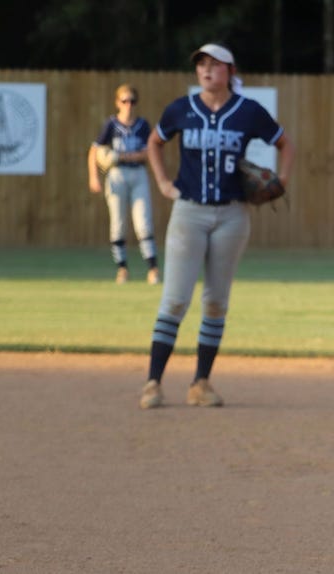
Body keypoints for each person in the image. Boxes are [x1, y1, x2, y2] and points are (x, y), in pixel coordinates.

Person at [139, 42, 294, 409]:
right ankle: (152, 383)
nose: (207, 71)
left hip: (232, 214)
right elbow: (154, 142)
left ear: (230, 71)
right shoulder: (181, 109)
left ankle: (201, 383)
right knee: (175, 299)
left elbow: (285, 143)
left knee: (215, 302)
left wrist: (283, 181)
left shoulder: (248, 112)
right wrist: (163, 183)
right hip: (189, 212)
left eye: (215, 65)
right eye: (201, 65)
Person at [87, 84, 160, 285]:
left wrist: (121, 156)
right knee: (118, 225)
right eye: (124, 100)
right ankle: (122, 269)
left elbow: (149, 152)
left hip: (137, 173)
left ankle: (153, 269)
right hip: (116, 175)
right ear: (117, 102)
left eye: (132, 101)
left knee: (143, 223)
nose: (128, 105)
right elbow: (95, 151)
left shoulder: (142, 125)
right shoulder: (111, 124)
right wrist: (94, 176)